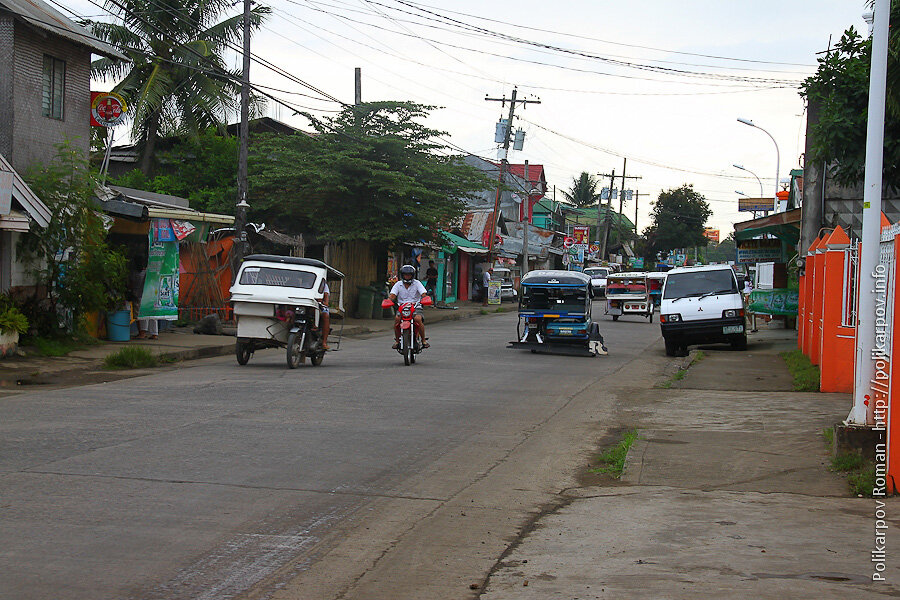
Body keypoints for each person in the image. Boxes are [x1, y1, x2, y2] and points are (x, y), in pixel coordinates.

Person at [389, 264, 429, 349]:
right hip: (402, 307)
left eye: (409, 275)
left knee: (418, 319)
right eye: (405, 274)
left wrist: (425, 298)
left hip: (415, 307)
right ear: (402, 275)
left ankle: (423, 341)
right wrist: (389, 300)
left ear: (412, 275)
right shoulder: (398, 284)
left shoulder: (417, 283)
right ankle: (397, 341)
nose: (407, 276)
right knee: (397, 319)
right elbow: (392, 295)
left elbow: (423, 293)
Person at [319, 281, 331, 350]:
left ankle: (324, 342)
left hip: (320, 305)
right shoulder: (304, 284)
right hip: (308, 304)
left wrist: (324, 302)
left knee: (325, 316)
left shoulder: (324, 286)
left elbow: (326, 299)